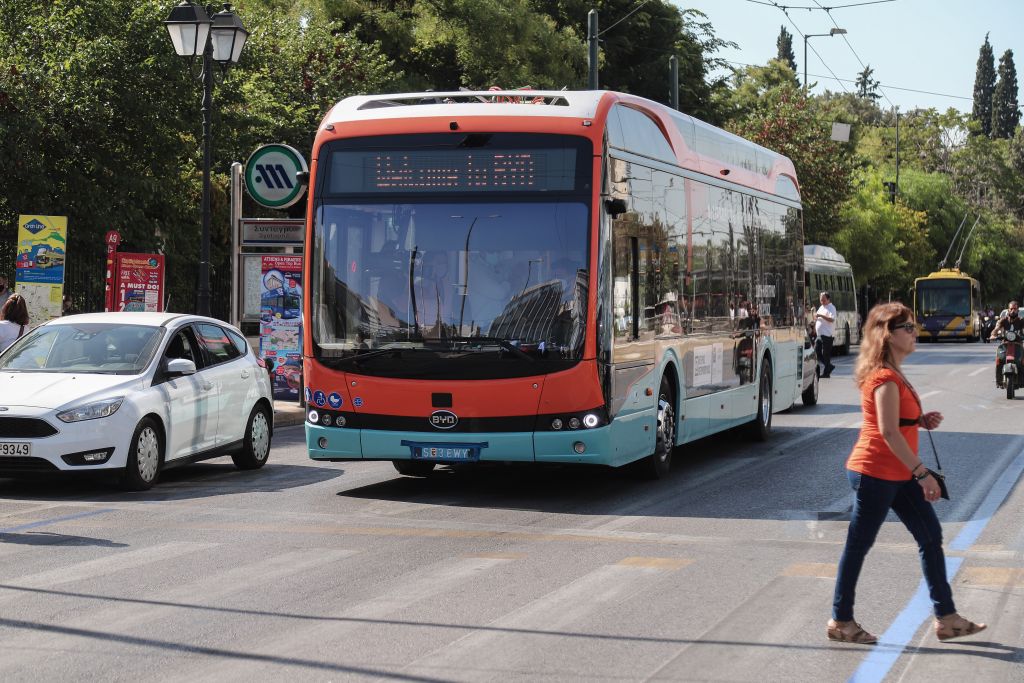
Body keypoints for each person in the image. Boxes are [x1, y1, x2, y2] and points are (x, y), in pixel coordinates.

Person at [828, 302, 985, 645]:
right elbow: (887, 432)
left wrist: (918, 420)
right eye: (908, 329)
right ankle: (841, 620)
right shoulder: (884, 378)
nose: (915, 333)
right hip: (876, 471)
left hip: (896, 473)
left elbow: (896, 422)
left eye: (914, 328)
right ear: (888, 335)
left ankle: (946, 618)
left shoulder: (892, 372)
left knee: (930, 536)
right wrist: (922, 473)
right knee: (859, 545)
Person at [990, 300, 1024, 387]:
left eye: (1015, 309)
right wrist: (993, 335)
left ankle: (1022, 381)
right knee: (999, 361)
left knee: (1021, 362)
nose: (1013, 311)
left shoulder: (1021, 321)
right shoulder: (1003, 320)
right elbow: (996, 329)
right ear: (1008, 310)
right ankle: (999, 381)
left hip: (1018, 344)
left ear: (1018, 310)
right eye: (1011, 309)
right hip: (1005, 345)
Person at [814, 291, 837, 378]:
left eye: (823, 300)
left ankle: (826, 372)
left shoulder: (831, 308)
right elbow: (818, 318)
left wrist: (821, 315)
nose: (822, 301)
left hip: (827, 335)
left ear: (828, 299)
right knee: (817, 352)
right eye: (821, 300)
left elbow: (831, 319)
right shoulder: (821, 307)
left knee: (825, 354)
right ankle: (829, 366)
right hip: (819, 335)